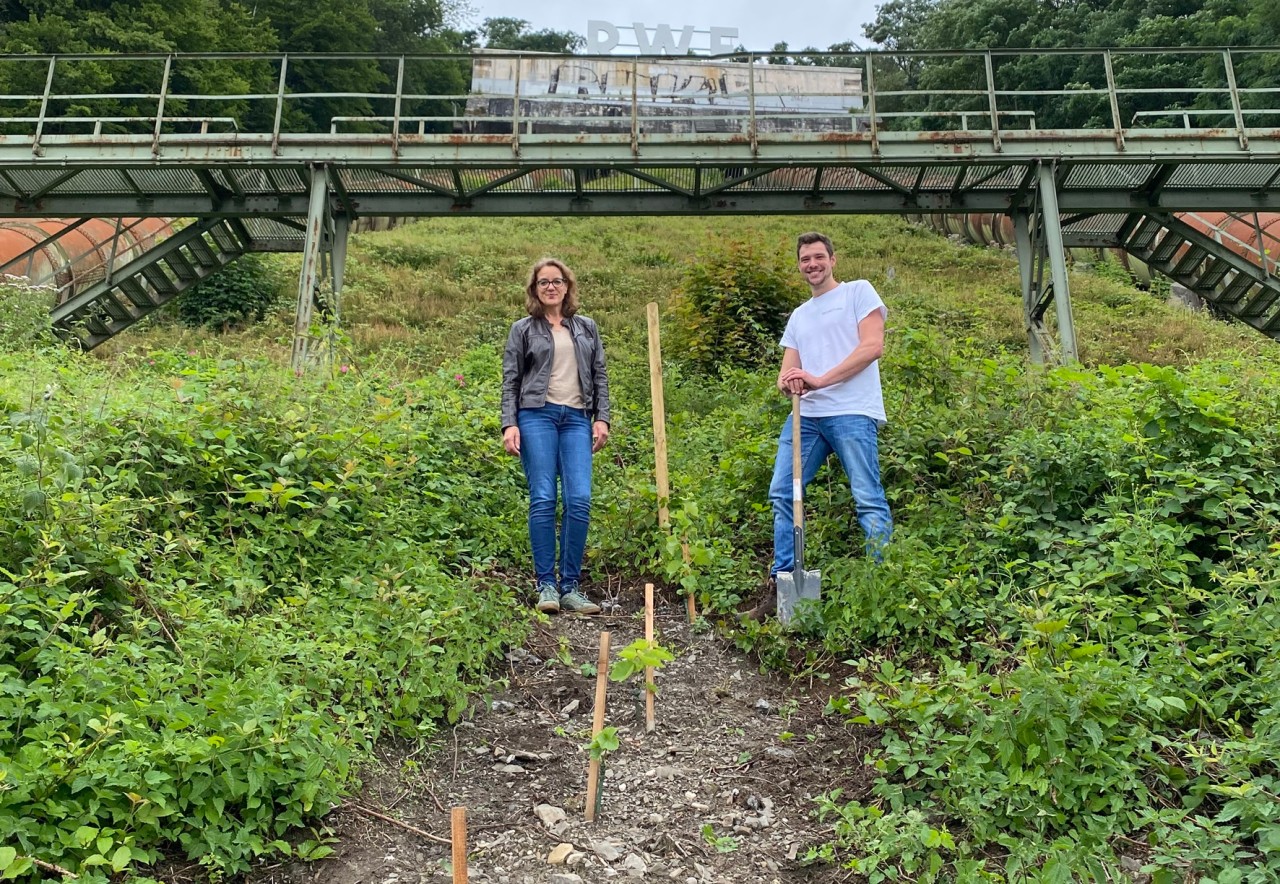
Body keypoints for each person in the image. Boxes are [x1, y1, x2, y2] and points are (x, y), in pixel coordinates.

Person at [746, 231, 893, 620]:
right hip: (806, 418)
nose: (811, 264)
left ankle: (883, 587)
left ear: (833, 259)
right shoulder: (799, 315)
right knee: (782, 492)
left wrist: (820, 380)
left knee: (867, 498)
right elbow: (785, 374)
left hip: (851, 411)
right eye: (804, 259)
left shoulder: (858, 293)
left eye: (817, 257)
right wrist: (790, 381)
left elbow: (872, 346)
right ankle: (782, 586)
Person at [502, 258, 611, 615]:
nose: (551, 287)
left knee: (579, 499)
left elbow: (599, 376)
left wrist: (602, 419)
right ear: (534, 289)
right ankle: (546, 584)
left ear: (567, 286)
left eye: (557, 281)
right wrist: (510, 423)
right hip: (536, 416)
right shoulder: (522, 329)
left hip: (577, 419)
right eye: (543, 282)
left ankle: (570, 586)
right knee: (544, 498)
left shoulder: (587, 328)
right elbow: (511, 381)